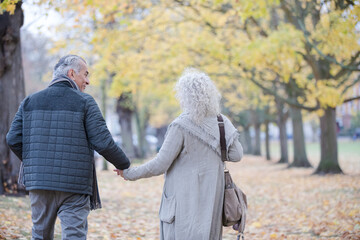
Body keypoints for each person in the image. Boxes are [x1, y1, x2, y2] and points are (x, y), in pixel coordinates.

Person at [6, 54, 130, 240]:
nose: (87, 81)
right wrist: (124, 164)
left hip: (40, 185)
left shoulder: (30, 101)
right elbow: (103, 142)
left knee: (40, 235)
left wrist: (37, 163)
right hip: (75, 185)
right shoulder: (85, 102)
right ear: (72, 73)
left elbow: (13, 138)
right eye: (85, 75)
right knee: (74, 236)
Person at [115, 68, 243, 240]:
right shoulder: (222, 122)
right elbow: (236, 155)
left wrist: (130, 173)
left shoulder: (180, 126)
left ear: (185, 96)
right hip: (211, 198)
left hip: (183, 201)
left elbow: (160, 164)